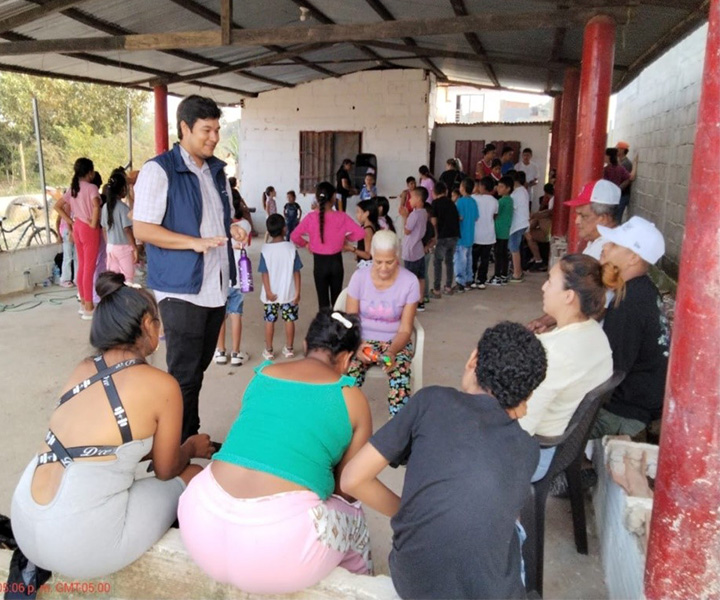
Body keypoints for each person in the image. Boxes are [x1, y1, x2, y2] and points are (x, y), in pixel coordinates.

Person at [11, 272, 213, 579]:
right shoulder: (162, 385)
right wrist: (192, 447)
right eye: (157, 323)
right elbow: (165, 468)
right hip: (75, 547)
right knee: (193, 473)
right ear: (147, 325)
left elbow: (108, 446)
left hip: (25, 522)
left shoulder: (82, 369)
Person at [340, 321, 548, 600]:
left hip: (411, 581)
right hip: (491, 593)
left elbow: (352, 479)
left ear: (474, 359)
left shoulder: (431, 401)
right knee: (514, 529)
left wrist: (411, 514)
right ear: (528, 396)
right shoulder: (528, 448)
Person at [178, 311, 373, 595]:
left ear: (306, 344)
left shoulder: (264, 374)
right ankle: (359, 587)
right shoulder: (351, 397)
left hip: (200, 522)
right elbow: (347, 488)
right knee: (355, 514)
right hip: (278, 553)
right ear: (346, 359)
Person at [133, 94, 249, 442]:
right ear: (184, 128)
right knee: (184, 372)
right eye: (206, 130)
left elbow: (222, 218)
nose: (214, 137)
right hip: (181, 287)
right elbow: (143, 229)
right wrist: (192, 242)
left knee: (197, 368)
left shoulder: (216, 171)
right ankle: (177, 444)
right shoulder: (160, 170)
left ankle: (185, 437)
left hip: (215, 284)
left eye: (217, 129)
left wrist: (233, 228)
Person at [519, 254, 614, 481]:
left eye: (550, 281)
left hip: (534, 455)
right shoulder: (596, 335)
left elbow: (522, 427)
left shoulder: (554, 352)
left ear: (569, 296)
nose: (543, 287)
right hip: (559, 448)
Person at [591, 217, 669, 439]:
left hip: (625, 412)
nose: (605, 247)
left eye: (614, 245)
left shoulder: (629, 301)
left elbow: (611, 368)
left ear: (633, 258)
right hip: (640, 400)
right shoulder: (643, 290)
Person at [526, 179, 620, 333]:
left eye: (583, 216)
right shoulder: (597, 242)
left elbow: (600, 305)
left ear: (603, 218)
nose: (576, 221)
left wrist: (565, 336)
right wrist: (546, 321)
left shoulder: (609, 250)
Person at [347, 230, 420, 416]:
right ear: (372, 255)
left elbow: (405, 329)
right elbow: (351, 320)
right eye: (378, 261)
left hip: (395, 342)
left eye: (390, 261)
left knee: (400, 381)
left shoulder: (410, 282)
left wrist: (392, 352)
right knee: (347, 381)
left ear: (397, 256)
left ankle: (397, 433)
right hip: (361, 340)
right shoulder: (359, 278)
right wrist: (357, 346)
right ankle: (346, 425)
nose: (384, 268)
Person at [291, 181, 365, 310]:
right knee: (337, 302)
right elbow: (360, 233)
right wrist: (345, 239)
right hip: (336, 263)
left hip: (319, 264)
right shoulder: (341, 216)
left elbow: (294, 236)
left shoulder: (310, 217)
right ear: (333, 197)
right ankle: (337, 327)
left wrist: (307, 244)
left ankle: (325, 328)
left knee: (323, 303)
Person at [54, 157, 101, 319]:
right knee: (89, 268)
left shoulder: (73, 189)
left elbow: (57, 206)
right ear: (90, 172)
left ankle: (83, 303)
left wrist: (70, 221)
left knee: (82, 266)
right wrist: (94, 223)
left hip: (78, 227)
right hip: (88, 228)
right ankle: (89, 305)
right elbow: (96, 205)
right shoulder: (91, 188)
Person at [260, 214, 303, 360]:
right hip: (289, 293)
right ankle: (289, 349)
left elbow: (264, 273)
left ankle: (269, 350)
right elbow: (296, 272)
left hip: (271, 294)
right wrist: (297, 292)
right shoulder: (291, 248)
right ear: (285, 229)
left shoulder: (265, 249)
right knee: (289, 319)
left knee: (269, 320)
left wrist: (268, 291)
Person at [214, 205, 252, 367]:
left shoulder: (217, 225)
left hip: (220, 278)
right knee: (236, 314)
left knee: (220, 316)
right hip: (238, 277)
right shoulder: (245, 225)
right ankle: (236, 353)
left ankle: (221, 351)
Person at [101, 171, 138, 283]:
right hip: (124, 247)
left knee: (113, 278)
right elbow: (127, 229)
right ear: (123, 189)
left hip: (111, 247)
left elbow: (104, 228)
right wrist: (134, 248)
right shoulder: (123, 208)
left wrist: (108, 243)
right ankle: (126, 300)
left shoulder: (105, 207)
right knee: (128, 278)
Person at [430, 181, 460, 298]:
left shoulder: (435, 203)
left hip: (442, 236)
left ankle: (437, 289)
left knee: (437, 262)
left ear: (434, 192)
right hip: (454, 235)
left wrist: (434, 237)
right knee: (449, 261)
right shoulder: (452, 203)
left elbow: (434, 222)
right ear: (446, 191)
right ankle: (448, 287)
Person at [400, 188, 428, 312]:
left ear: (418, 199)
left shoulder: (414, 214)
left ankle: (408, 302)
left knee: (408, 278)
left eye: (411, 198)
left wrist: (405, 217)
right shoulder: (424, 212)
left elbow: (407, 230)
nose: (409, 200)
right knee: (421, 277)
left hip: (411, 251)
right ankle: (420, 301)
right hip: (419, 250)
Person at [471, 176, 498, 289]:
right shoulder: (495, 201)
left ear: (482, 187)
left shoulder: (474, 198)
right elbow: (495, 215)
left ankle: (471, 279)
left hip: (476, 234)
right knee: (485, 259)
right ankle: (482, 280)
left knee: (473, 258)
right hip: (489, 235)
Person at [454, 178, 479, 291]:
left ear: (462, 188)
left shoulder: (460, 201)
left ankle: (460, 281)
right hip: (470, 235)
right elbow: (476, 218)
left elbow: (460, 217)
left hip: (461, 236)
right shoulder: (473, 201)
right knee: (469, 259)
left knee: (460, 259)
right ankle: (469, 279)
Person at [488, 176, 514, 286]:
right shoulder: (510, 200)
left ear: (508, 189)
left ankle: (497, 276)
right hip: (505, 230)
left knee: (498, 254)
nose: (498, 188)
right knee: (503, 254)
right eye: (498, 186)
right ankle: (504, 275)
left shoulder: (502, 201)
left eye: (501, 186)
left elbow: (495, 214)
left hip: (499, 230)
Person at [524, 182, 555, 270]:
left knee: (530, 234)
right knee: (533, 224)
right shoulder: (551, 199)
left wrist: (536, 214)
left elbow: (550, 212)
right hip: (546, 229)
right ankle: (536, 258)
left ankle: (538, 259)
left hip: (549, 231)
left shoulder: (553, 199)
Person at [508, 170, 530, 283]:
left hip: (517, 224)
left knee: (514, 248)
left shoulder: (516, 194)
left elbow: (511, 208)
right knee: (516, 248)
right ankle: (518, 269)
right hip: (522, 222)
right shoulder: (523, 190)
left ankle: (517, 273)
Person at [347, 198, 380, 268]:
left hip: (367, 266)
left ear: (366, 213)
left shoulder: (367, 230)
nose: (356, 215)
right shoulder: (369, 227)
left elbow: (368, 255)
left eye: (358, 212)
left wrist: (352, 249)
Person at [615, 141, 637, 222]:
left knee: (617, 219)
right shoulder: (620, 162)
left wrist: (618, 190)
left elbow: (628, 180)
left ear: (622, 150)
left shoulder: (626, 163)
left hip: (622, 195)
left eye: (617, 149)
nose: (616, 151)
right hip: (619, 195)